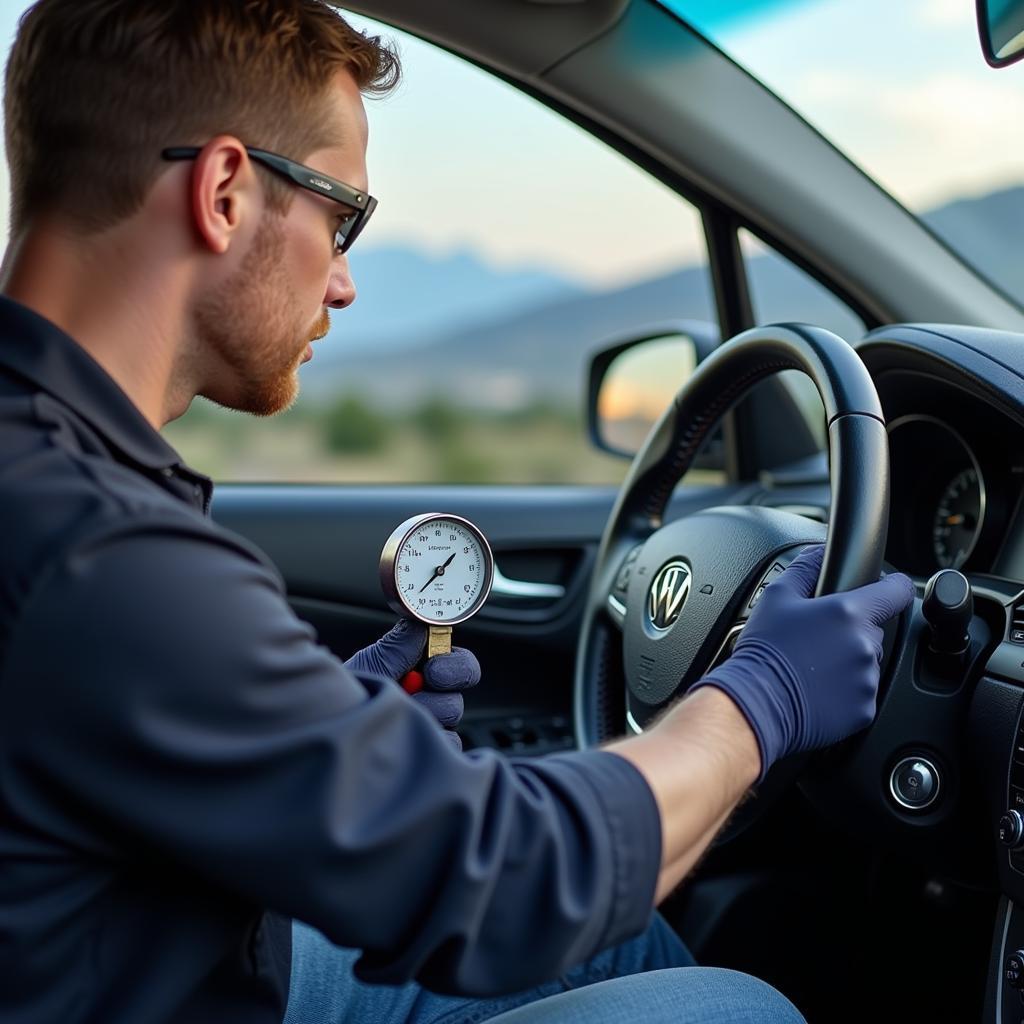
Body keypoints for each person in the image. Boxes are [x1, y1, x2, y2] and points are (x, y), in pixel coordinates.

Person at [0, 2, 914, 1023]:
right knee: (740, 1011)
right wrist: (764, 698)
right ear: (221, 192)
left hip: (150, 954)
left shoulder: (51, 476)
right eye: (341, 217)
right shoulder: (100, 548)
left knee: (631, 945)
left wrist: (316, 742)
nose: (342, 283)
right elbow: (508, 886)